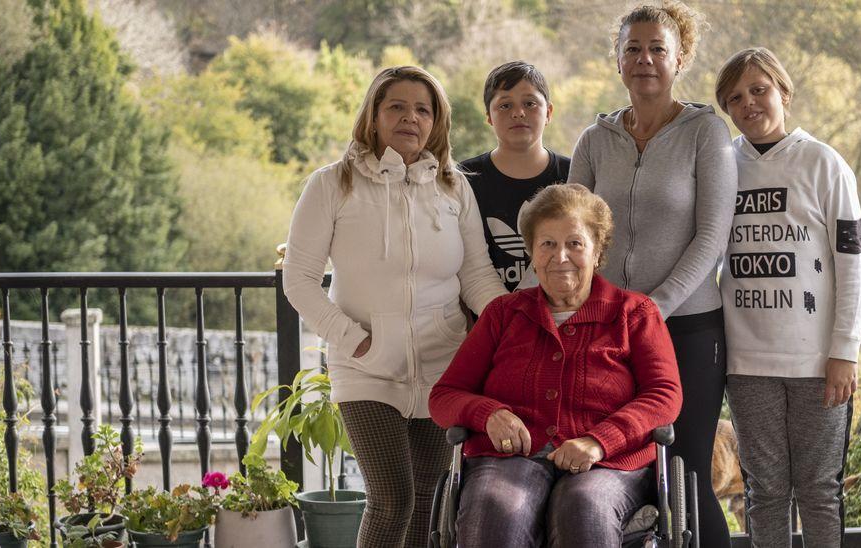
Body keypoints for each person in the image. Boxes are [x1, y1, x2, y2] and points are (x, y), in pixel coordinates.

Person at [283, 65, 507, 548]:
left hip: (442, 365)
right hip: (365, 366)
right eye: (397, 107)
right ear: (374, 115)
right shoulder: (331, 184)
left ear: (436, 121)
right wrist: (353, 339)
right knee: (391, 498)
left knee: (428, 498)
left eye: (422, 109)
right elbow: (298, 280)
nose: (411, 118)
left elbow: (476, 276)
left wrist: (512, 328)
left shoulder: (453, 186)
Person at [565, 2, 738, 544]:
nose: (645, 59)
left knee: (687, 475)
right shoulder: (594, 141)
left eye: (657, 48)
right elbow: (575, 236)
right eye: (633, 49)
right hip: (606, 330)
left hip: (687, 328)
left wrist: (654, 307)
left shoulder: (705, 132)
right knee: (612, 470)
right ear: (617, 61)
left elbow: (712, 237)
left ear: (679, 58)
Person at [429, 183, 683, 547]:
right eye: (547, 243)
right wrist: (488, 414)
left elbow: (664, 396)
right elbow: (444, 396)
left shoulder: (634, 313)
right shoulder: (504, 314)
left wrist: (599, 441)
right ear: (531, 252)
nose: (560, 256)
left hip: (606, 464)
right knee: (496, 510)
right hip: (509, 460)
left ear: (597, 252)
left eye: (575, 243)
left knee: (583, 507)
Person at [714, 47, 861, 548]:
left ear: (783, 92)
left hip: (817, 364)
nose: (749, 104)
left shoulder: (825, 165)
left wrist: (844, 350)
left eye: (759, 90)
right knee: (765, 492)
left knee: (818, 491)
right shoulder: (721, 166)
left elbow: (855, 267)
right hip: (746, 364)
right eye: (735, 98)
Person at [462, 61, 570, 291]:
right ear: (489, 117)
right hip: (487, 316)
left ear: (549, 112)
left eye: (530, 103)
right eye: (505, 105)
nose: (518, 113)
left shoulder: (574, 175)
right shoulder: (464, 179)